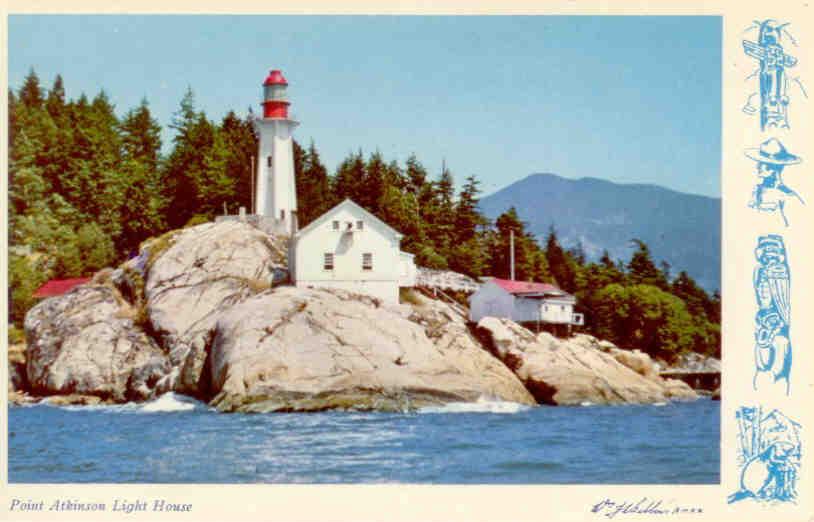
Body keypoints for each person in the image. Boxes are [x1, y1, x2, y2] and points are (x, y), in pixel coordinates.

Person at [746, 138, 804, 226]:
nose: (757, 167)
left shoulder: (787, 196)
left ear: (772, 169)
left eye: (762, 163)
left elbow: (798, 225)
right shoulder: (756, 190)